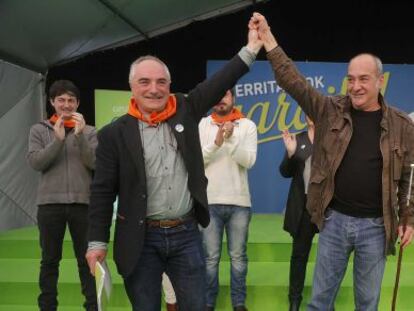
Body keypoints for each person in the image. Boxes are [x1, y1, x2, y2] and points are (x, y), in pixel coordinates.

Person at [85, 23, 263, 311]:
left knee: (194, 305)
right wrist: (96, 242)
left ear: (169, 85)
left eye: (161, 82)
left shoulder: (185, 108)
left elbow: (221, 80)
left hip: (186, 234)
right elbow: (102, 192)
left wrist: (252, 47)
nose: (154, 90)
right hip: (140, 240)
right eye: (144, 82)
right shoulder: (112, 134)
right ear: (132, 86)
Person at [250, 13, 414, 311]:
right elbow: (293, 81)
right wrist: (269, 39)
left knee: (367, 304)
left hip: (377, 228)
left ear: (380, 80)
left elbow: (409, 178)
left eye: (364, 79)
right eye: (351, 79)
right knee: (319, 303)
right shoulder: (330, 110)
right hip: (334, 221)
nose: (356, 86)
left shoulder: (403, 125)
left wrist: (408, 218)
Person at [27, 80, 98, 311]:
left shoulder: (89, 131)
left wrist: (78, 137)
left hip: (83, 204)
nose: (66, 105)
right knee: (49, 260)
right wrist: (57, 140)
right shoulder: (39, 129)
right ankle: (47, 307)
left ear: (77, 103)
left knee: (86, 261)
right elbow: (36, 162)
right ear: (52, 103)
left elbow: (94, 162)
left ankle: (92, 306)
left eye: (71, 100)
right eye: (61, 100)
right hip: (49, 205)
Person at [199, 89, 257, 311]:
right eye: (217, 95)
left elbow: (249, 161)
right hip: (209, 201)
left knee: (238, 257)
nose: (220, 99)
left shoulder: (247, 125)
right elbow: (198, 161)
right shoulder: (203, 125)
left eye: (225, 95)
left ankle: (239, 303)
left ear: (233, 98)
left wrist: (231, 139)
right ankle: (207, 303)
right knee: (210, 259)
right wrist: (217, 142)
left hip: (239, 203)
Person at [279, 116, 318, 311]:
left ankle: (324, 299)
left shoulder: (331, 138)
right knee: (299, 255)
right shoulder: (298, 139)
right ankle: (295, 299)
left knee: (330, 257)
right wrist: (291, 153)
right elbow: (285, 172)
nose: (312, 114)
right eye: (308, 111)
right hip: (302, 206)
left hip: (327, 206)